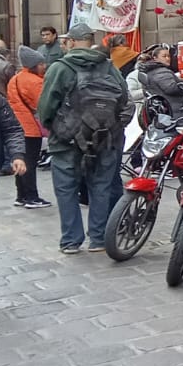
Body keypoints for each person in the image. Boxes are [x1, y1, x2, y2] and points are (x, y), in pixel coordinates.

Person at [37, 24, 132, 255]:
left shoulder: (60, 68)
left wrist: (57, 129)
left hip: (67, 140)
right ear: (91, 40)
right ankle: (98, 239)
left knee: (66, 189)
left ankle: (71, 241)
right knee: (101, 187)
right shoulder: (109, 67)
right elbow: (125, 100)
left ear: (71, 41)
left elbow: (46, 107)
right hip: (105, 138)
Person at [8, 46, 48, 207]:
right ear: (34, 64)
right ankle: (32, 197)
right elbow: (43, 104)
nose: (44, 66)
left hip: (16, 126)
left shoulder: (15, 78)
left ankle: (21, 195)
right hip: (29, 127)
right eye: (41, 63)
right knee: (30, 162)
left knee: (21, 161)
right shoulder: (35, 81)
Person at [138, 44, 183, 117]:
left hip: (160, 111)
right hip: (173, 111)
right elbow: (171, 88)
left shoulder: (149, 71)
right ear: (155, 58)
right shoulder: (162, 72)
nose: (167, 58)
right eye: (164, 56)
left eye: (169, 56)